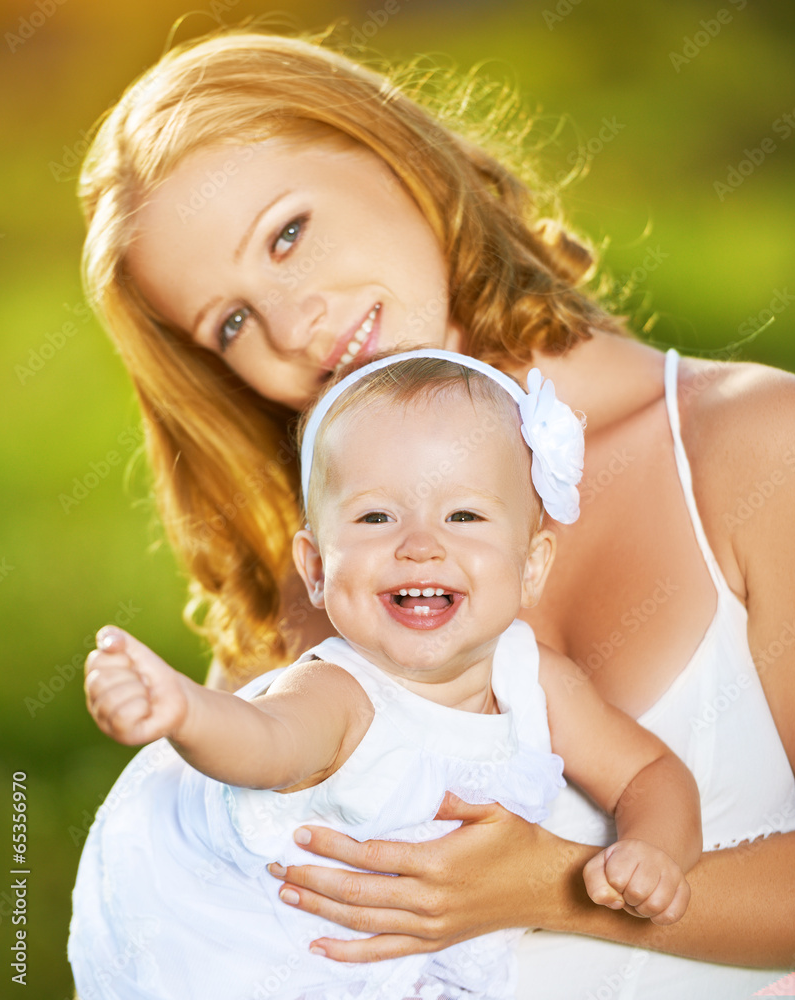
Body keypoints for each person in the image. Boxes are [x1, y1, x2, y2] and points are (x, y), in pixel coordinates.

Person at [76, 26, 795, 998]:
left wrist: (550, 887)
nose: (294, 328)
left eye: (288, 233)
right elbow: (215, 923)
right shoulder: (313, 592)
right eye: (232, 322)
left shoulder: (752, 446)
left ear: (391, 153)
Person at [71, 351, 701, 1000]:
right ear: (316, 570)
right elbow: (264, 744)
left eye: (464, 516)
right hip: (291, 966)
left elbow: (647, 775)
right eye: (376, 517)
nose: (420, 544)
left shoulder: (534, 679)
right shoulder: (338, 694)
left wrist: (655, 850)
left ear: (532, 564)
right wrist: (186, 710)